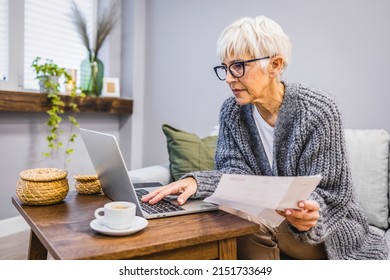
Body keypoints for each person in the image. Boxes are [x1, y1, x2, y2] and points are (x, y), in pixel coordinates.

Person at [141, 15, 388, 260]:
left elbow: (332, 193)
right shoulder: (232, 111)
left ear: (275, 65)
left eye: (238, 66)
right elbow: (236, 176)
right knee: (228, 213)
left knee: (244, 218)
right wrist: (197, 183)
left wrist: (308, 214)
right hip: (268, 220)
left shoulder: (319, 110)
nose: (229, 78)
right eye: (225, 68)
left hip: (328, 233)